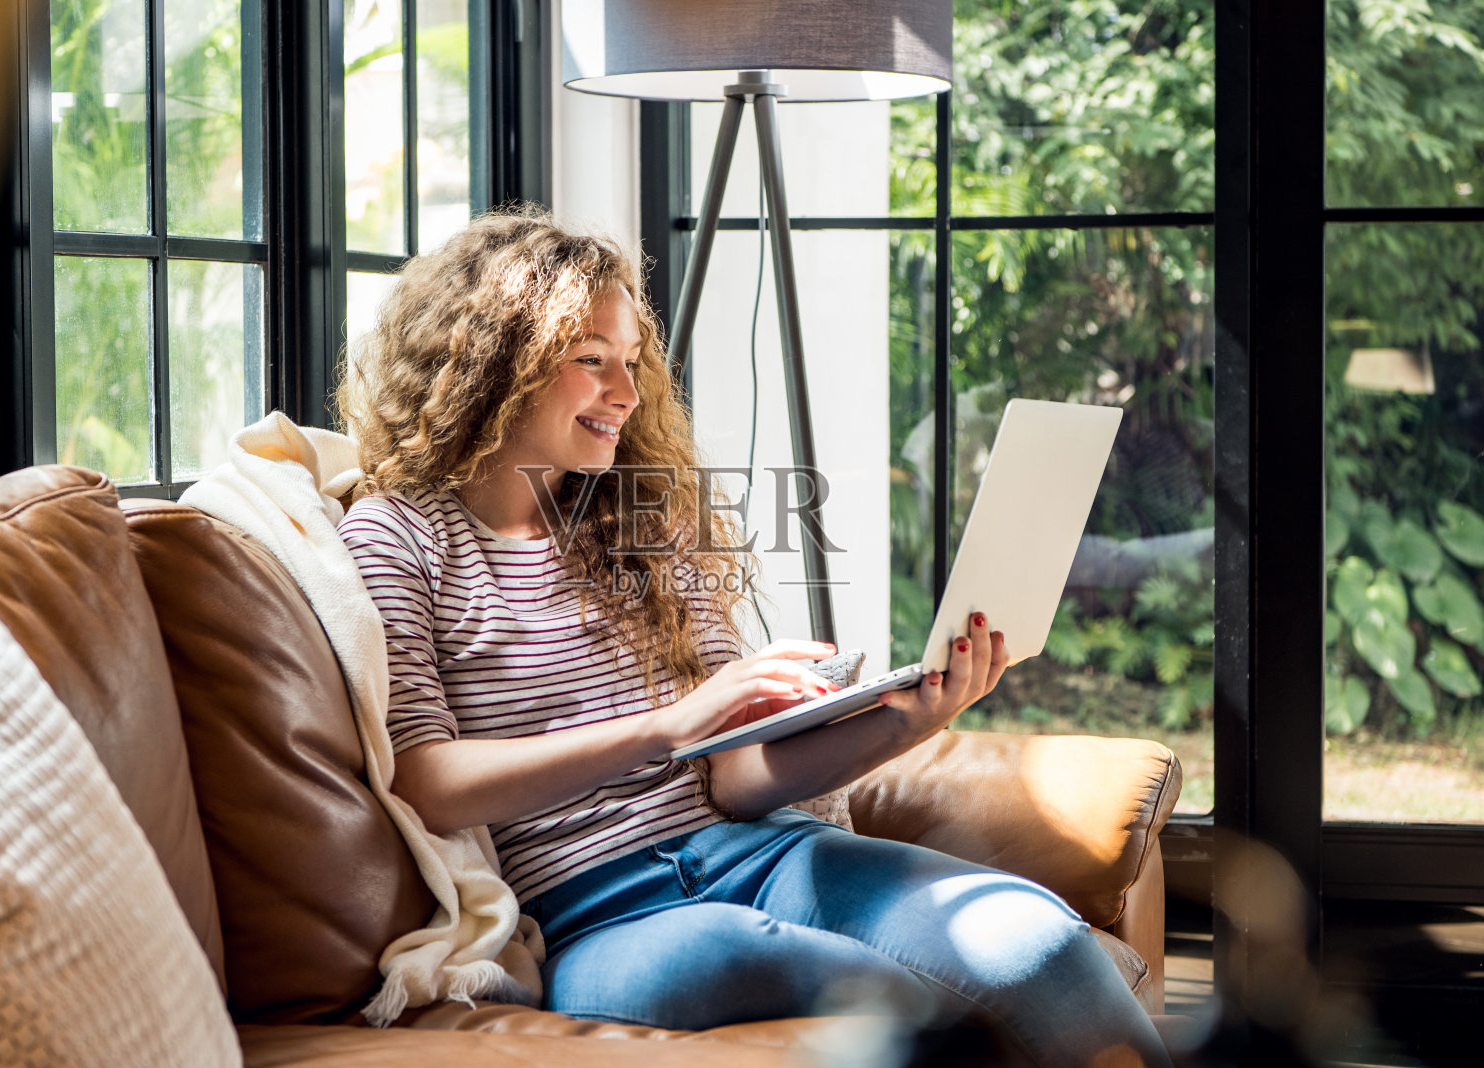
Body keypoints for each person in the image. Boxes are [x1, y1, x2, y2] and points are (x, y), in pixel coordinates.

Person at [337, 210, 1171, 1067]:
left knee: (1035, 939)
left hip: (769, 853)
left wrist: (905, 721)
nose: (625, 393)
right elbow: (426, 779)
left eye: (631, 361)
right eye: (591, 360)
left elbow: (735, 780)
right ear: (491, 364)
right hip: (601, 913)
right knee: (788, 964)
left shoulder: (641, 521)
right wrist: (668, 727)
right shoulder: (401, 536)